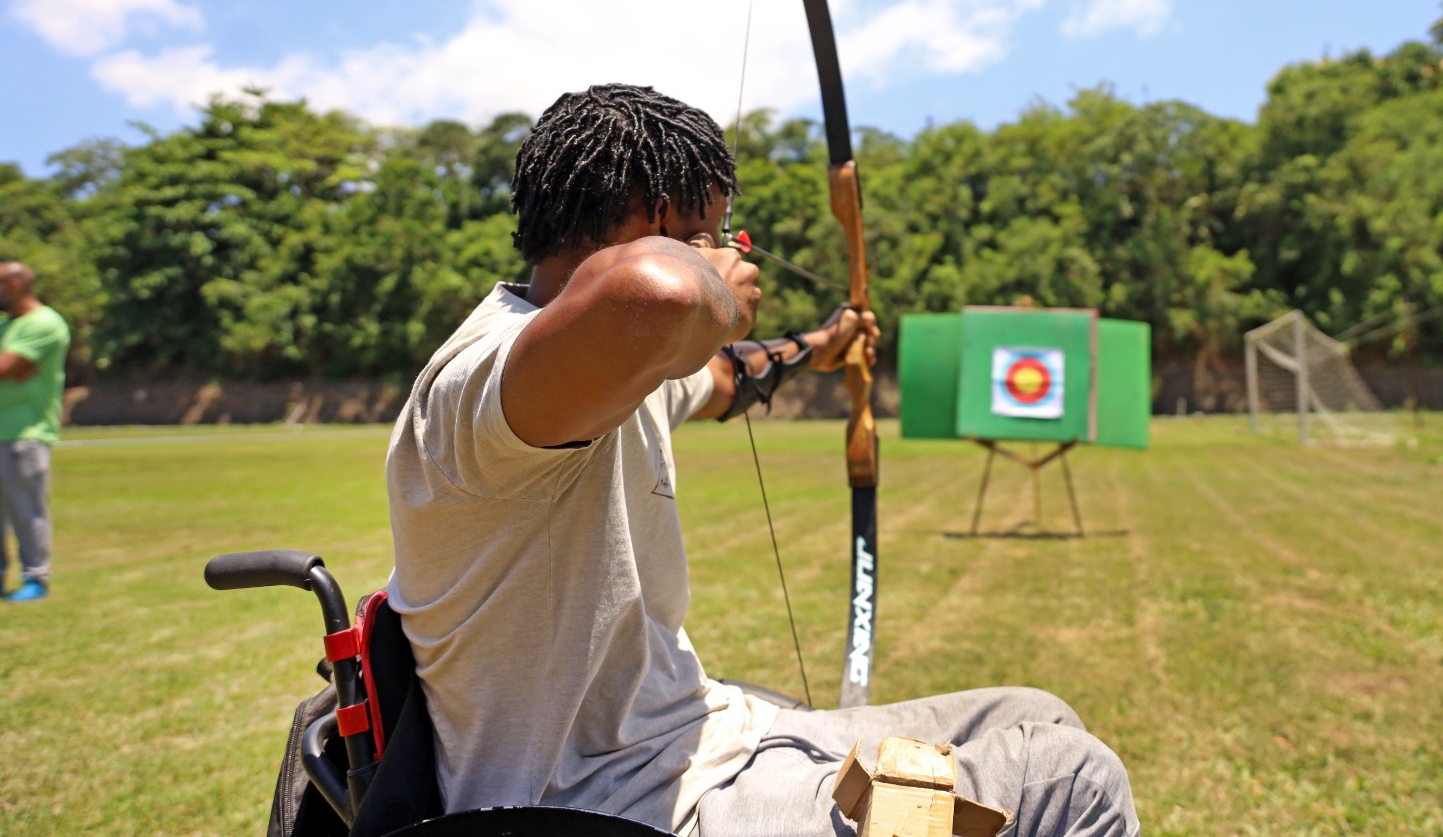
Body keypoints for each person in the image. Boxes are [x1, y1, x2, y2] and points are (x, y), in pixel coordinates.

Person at [385, 84, 1139, 835]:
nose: (728, 251)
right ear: (651, 217)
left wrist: (821, 347)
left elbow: (723, 378)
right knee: (1075, 781)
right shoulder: (486, 382)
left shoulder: (613, 373)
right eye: (710, 231)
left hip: (707, 740)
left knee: (1038, 716)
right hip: (621, 806)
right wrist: (712, 284)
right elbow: (662, 297)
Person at [0, 261, 70, 603]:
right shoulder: (6, 327)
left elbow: (4, 368)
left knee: (27, 510)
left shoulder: (44, 323)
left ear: (12, 285)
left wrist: (10, 366)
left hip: (25, 432)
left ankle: (36, 578)